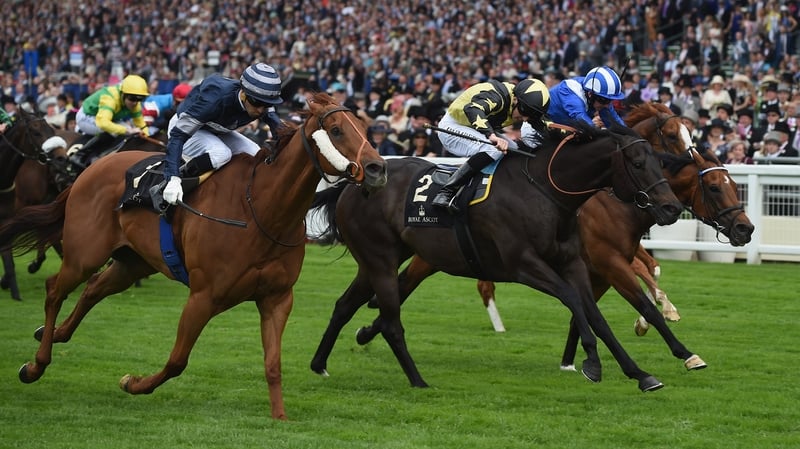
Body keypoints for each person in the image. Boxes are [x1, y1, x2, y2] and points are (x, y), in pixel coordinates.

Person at [162, 62, 283, 206]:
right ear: (243, 93)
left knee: (256, 154)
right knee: (221, 153)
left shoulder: (262, 104)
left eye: (267, 104)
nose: (260, 110)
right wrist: (172, 178)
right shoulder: (214, 100)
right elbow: (177, 136)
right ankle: (179, 180)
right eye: (257, 102)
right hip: (182, 128)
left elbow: (281, 134)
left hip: (216, 130)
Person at [431, 78, 550, 213]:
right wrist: (491, 135)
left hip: (473, 128)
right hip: (452, 127)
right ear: (516, 100)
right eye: (524, 113)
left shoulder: (521, 104)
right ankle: (446, 192)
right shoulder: (497, 97)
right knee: (493, 149)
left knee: (515, 149)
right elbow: (473, 109)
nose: (525, 119)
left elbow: (542, 126)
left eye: (530, 116)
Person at [69, 74, 151, 168]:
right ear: (123, 94)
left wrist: (147, 137)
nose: (135, 103)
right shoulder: (110, 98)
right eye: (132, 98)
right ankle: (79, 155)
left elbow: (141, 124)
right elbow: (103, 124)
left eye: (140, 99)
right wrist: (127, 130)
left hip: (106, 118)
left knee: (126, 129)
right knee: (117, 130)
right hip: (86, 117)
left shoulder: (135, 104)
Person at [547, 66, 626, 129]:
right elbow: (584, 123)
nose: (607, 105)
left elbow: (616, 123)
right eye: (604, 100)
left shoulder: (600, 95)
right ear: (590, 94)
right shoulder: (571, 92)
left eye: (610, 100)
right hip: (546, 123)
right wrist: (595, 127)